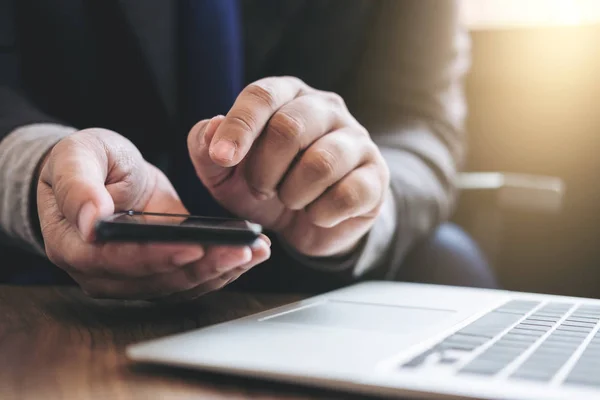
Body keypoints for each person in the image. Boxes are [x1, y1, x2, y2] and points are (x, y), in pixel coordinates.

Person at [0, 0, 494, 300]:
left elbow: (417, 119)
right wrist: (36, 165)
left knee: (450, 265)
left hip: (306, 260)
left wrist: (355, 197)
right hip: (54, 252)